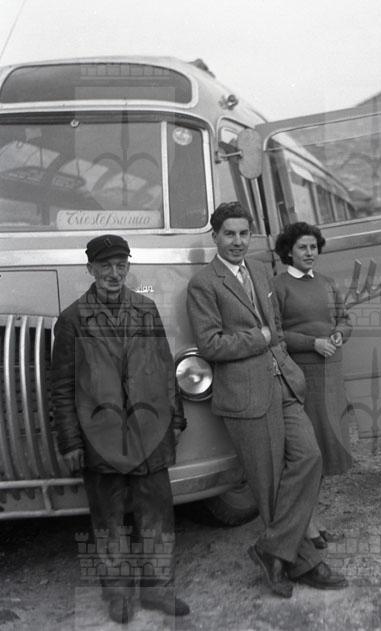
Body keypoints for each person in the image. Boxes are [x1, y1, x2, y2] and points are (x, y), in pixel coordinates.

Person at [186, 202, 347, 597]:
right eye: (229, 233)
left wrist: (282, 358)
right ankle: (302, 563)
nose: (238, 241)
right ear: (215, 236)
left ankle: (270, 548)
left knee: (309, 457)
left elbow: (274, 327)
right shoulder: (204, 284)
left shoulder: (260, 271)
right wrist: (257, 339)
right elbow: (210, 344)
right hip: (245, 395)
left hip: (283, 384)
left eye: (244, 233)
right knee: (270, 482)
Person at [51, 234, 190, 624]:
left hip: (149, 431)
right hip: (100, 436)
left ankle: (157, 590)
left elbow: (164, 366)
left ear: (128, 267)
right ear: (90, 269)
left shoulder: (146, 309)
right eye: (105, 267)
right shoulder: (72, 320)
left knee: (156, 514)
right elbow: (61, 387)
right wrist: (70, 441)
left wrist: (176, 419)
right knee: (109, 518)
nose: (114, 274)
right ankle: (118, 595)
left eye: (121, 266)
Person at [273, 222, 354, 549]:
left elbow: (345, 319)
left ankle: (313, 521)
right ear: (288, 251)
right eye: (302, 247)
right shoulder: (278, 286)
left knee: (325, 451)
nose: (309, 253)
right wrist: (312, 343)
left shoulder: (327, 283)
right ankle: (306, 525)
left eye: (313, 247)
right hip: (301, 376)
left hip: (331, 374)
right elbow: (275, 334)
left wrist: (339, 334)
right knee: (309, 453)